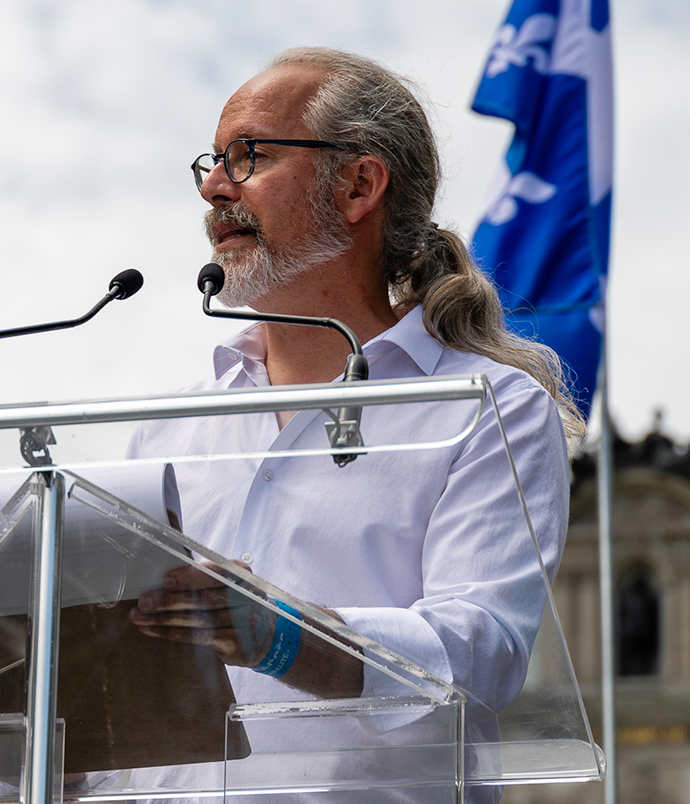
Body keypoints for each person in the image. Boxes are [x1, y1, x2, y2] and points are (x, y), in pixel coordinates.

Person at [125, 47, 580, 758]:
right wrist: (26, 741)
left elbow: (478, 649)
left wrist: (284, 636)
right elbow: (124, 700)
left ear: (359, 185)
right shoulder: (166, 431)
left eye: (247, 156)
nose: (213, 187)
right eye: (211, 162)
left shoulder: (487, 409)